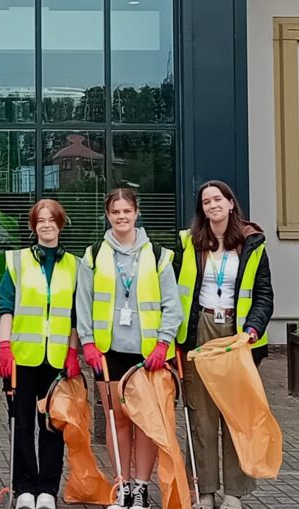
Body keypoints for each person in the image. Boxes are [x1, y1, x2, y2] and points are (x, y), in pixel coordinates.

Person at [75, 188, 183, 509]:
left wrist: (164, 343)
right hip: (107, 352)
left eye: (126, 211)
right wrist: (88, 342)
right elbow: (83, 303)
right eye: (115, 212)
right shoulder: (94, 254)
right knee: (117, 419)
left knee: (145, 421)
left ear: (137, 213)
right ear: (107, 216)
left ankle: (141, 488)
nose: (121, 217)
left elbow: (172, 306)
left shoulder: (159, 255)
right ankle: (122, 485)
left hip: (147, 354)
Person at [172, 181, 273, 509]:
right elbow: (176, 291)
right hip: (199, 331)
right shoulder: (190, 243)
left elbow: (264, 294)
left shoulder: (252, 243)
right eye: (206, 201)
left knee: (235, 415)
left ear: (231, 203)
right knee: (200, 416)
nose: (212, 205)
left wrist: (254, 328)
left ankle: (233, 492)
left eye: (218, 199)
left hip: (237, 334)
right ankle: (204, 489)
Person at [0, 199, 81, 509]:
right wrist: (4, 347)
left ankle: (47, 488)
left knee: (52, 424)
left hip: (56, 359)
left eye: (51, 220)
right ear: (33, 227)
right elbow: (5, 307)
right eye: (40, 220)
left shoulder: (75, 264)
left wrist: (73, 352)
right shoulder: (17, 262)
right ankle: (24, 488)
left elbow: (75, 315)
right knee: (21, 424)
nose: (46, 225)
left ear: (60, 224)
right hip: (22, 357)